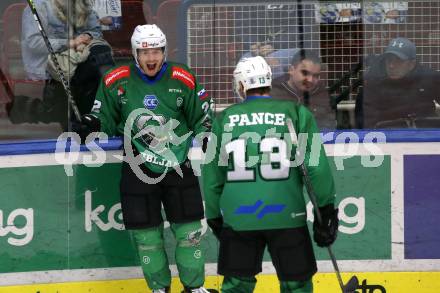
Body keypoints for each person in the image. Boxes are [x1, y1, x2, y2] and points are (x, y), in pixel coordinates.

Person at [77, 24, 214, 293]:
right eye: (145, 52)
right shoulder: (116, 79)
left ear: (164, 51)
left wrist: (206, 133)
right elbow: (104, 117)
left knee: (190, 235)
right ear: (134, 52)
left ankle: (194, 288)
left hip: (178, 166)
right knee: (147, 238)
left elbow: (203, 116)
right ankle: (159, 289)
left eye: (157, 51)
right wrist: (92, 124)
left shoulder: (182, 77)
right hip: (137, 167)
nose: (151, 58)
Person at [202, 56, 338, 293]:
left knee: (237, 285)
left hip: (239, 217)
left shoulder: (223, 119)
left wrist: (214, 215)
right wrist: (325, 210)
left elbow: (213, 177)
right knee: (297, 284)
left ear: (241, 85)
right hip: (288, 215)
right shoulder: (296, 113)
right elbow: (316, 168)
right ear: (268, 81)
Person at [7, 0, 114, 130]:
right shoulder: (39, 6)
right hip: (50, 66)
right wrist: (70, 43)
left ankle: (90, 118)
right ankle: (86, 119)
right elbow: (33, 43)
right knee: (93, 73)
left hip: (79, 61)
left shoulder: (82, 3)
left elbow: (96, 32)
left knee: (100, 54)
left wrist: (86, 37)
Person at [357, 37, 440, 128]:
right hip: (388, 137)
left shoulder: (429, 78)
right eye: (389, 60)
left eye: (398, 61)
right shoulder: (374, 82)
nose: (391, 66)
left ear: (411, 64)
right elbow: (365, 123)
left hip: (427, 136)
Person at [271, 50, 335, 129]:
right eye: (305, 73)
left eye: (315, 76)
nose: (310, 80)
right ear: (291, 70)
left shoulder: (321, 95)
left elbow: (328, 128)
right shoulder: (273, 93)